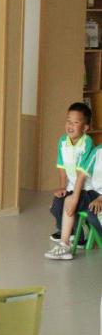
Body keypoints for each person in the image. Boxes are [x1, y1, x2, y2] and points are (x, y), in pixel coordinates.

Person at [45, 138, 102, 260]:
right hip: (95, 193)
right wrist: (75, 198)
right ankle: (64, 244)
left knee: (94, 215)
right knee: (67, 201)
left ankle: (82, 234)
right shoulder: (98, 151)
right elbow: (81, 175)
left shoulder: (88, 143)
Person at [48, 103, 94, 244]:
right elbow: (62, 168)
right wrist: (63, 187)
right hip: (72, 186)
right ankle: (66, 230)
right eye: (68, 121)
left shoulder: (87, 142)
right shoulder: (63, 141)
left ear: (85, 127)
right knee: (56, 205)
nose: (70, 125)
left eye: (75, 122)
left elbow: (81, 174)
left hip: (87, 188)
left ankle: (82, 234)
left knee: (74, 204)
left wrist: (74, 196)